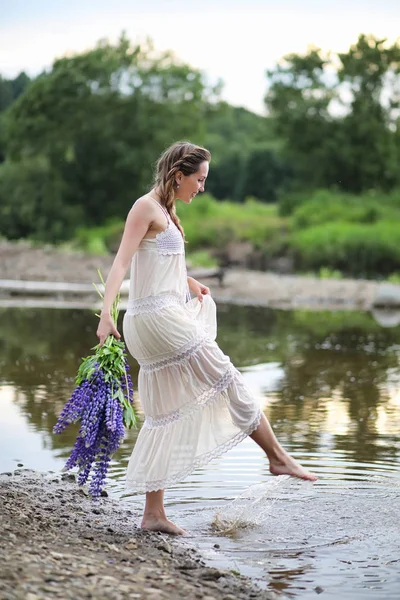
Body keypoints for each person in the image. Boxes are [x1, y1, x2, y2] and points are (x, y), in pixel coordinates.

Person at [97, 141, 317, 535]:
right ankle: (278, 456)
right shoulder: (144, 206)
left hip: (161, 314)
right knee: (227, 378)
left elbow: (159, 264)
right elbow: (122, 262)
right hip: (156, 317)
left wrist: (189, 281)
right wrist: (104, 316)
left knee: (162, 413)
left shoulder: (166, 210)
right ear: (178, 174)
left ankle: (153, 514)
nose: (202, 186)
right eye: (199, 179)